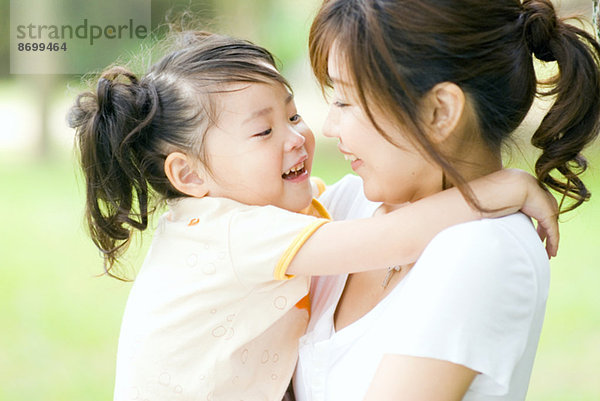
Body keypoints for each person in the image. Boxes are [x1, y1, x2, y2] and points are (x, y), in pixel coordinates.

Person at [69, 31, 558, 401]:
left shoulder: (243, 217)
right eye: (264, 132)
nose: (301, 135)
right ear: (190, 175)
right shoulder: (238, 233)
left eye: (293, 114)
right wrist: (501, 187)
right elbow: (392, 237)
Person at [294, 0, 600, 400]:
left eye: (346, 101)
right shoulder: (346, 204)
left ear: (440, 112)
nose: (331, 126)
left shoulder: (486, 251)